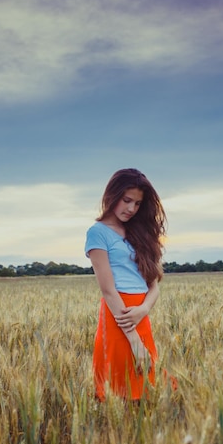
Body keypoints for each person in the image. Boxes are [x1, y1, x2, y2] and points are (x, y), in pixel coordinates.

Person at [85, 168, 167, 401]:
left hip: (140, 313)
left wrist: (143, 309)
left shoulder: (137, 232)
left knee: (146, 385)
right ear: (112, 195)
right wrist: (133, 339)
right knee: (118, 391)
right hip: (118, 314)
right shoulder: (97, 233)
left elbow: (154, 285)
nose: (131, 209)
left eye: (138, 204)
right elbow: (108, 290)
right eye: (127, 200)